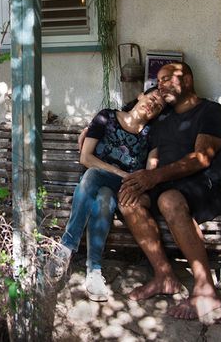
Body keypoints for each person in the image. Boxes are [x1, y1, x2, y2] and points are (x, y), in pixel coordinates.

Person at [117, 62, 221, 322]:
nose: (161, 84)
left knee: (169, 201)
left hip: (208, 185)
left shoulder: (210, 111)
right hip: (169, 185)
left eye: (169, 78)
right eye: (159, 81)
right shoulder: (164, 118)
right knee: (128, 199)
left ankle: (205, 290)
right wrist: (93, 128)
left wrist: (154, 176)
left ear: (188, 81)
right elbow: (128, 110)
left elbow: (201, 158)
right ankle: (164, 276)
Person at [51, 87, 166, 301]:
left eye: (158, 106)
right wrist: (120, 172)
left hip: (123, 188)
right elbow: (85, 157)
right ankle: (93, 269)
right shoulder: (107, 117)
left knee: (97, 177)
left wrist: (134, 181)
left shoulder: (153, 135)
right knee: (102, 193)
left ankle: (65, 248)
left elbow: (149, 172)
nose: (153, 104)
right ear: (141, 96)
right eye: (152, 98)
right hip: (98, 181)